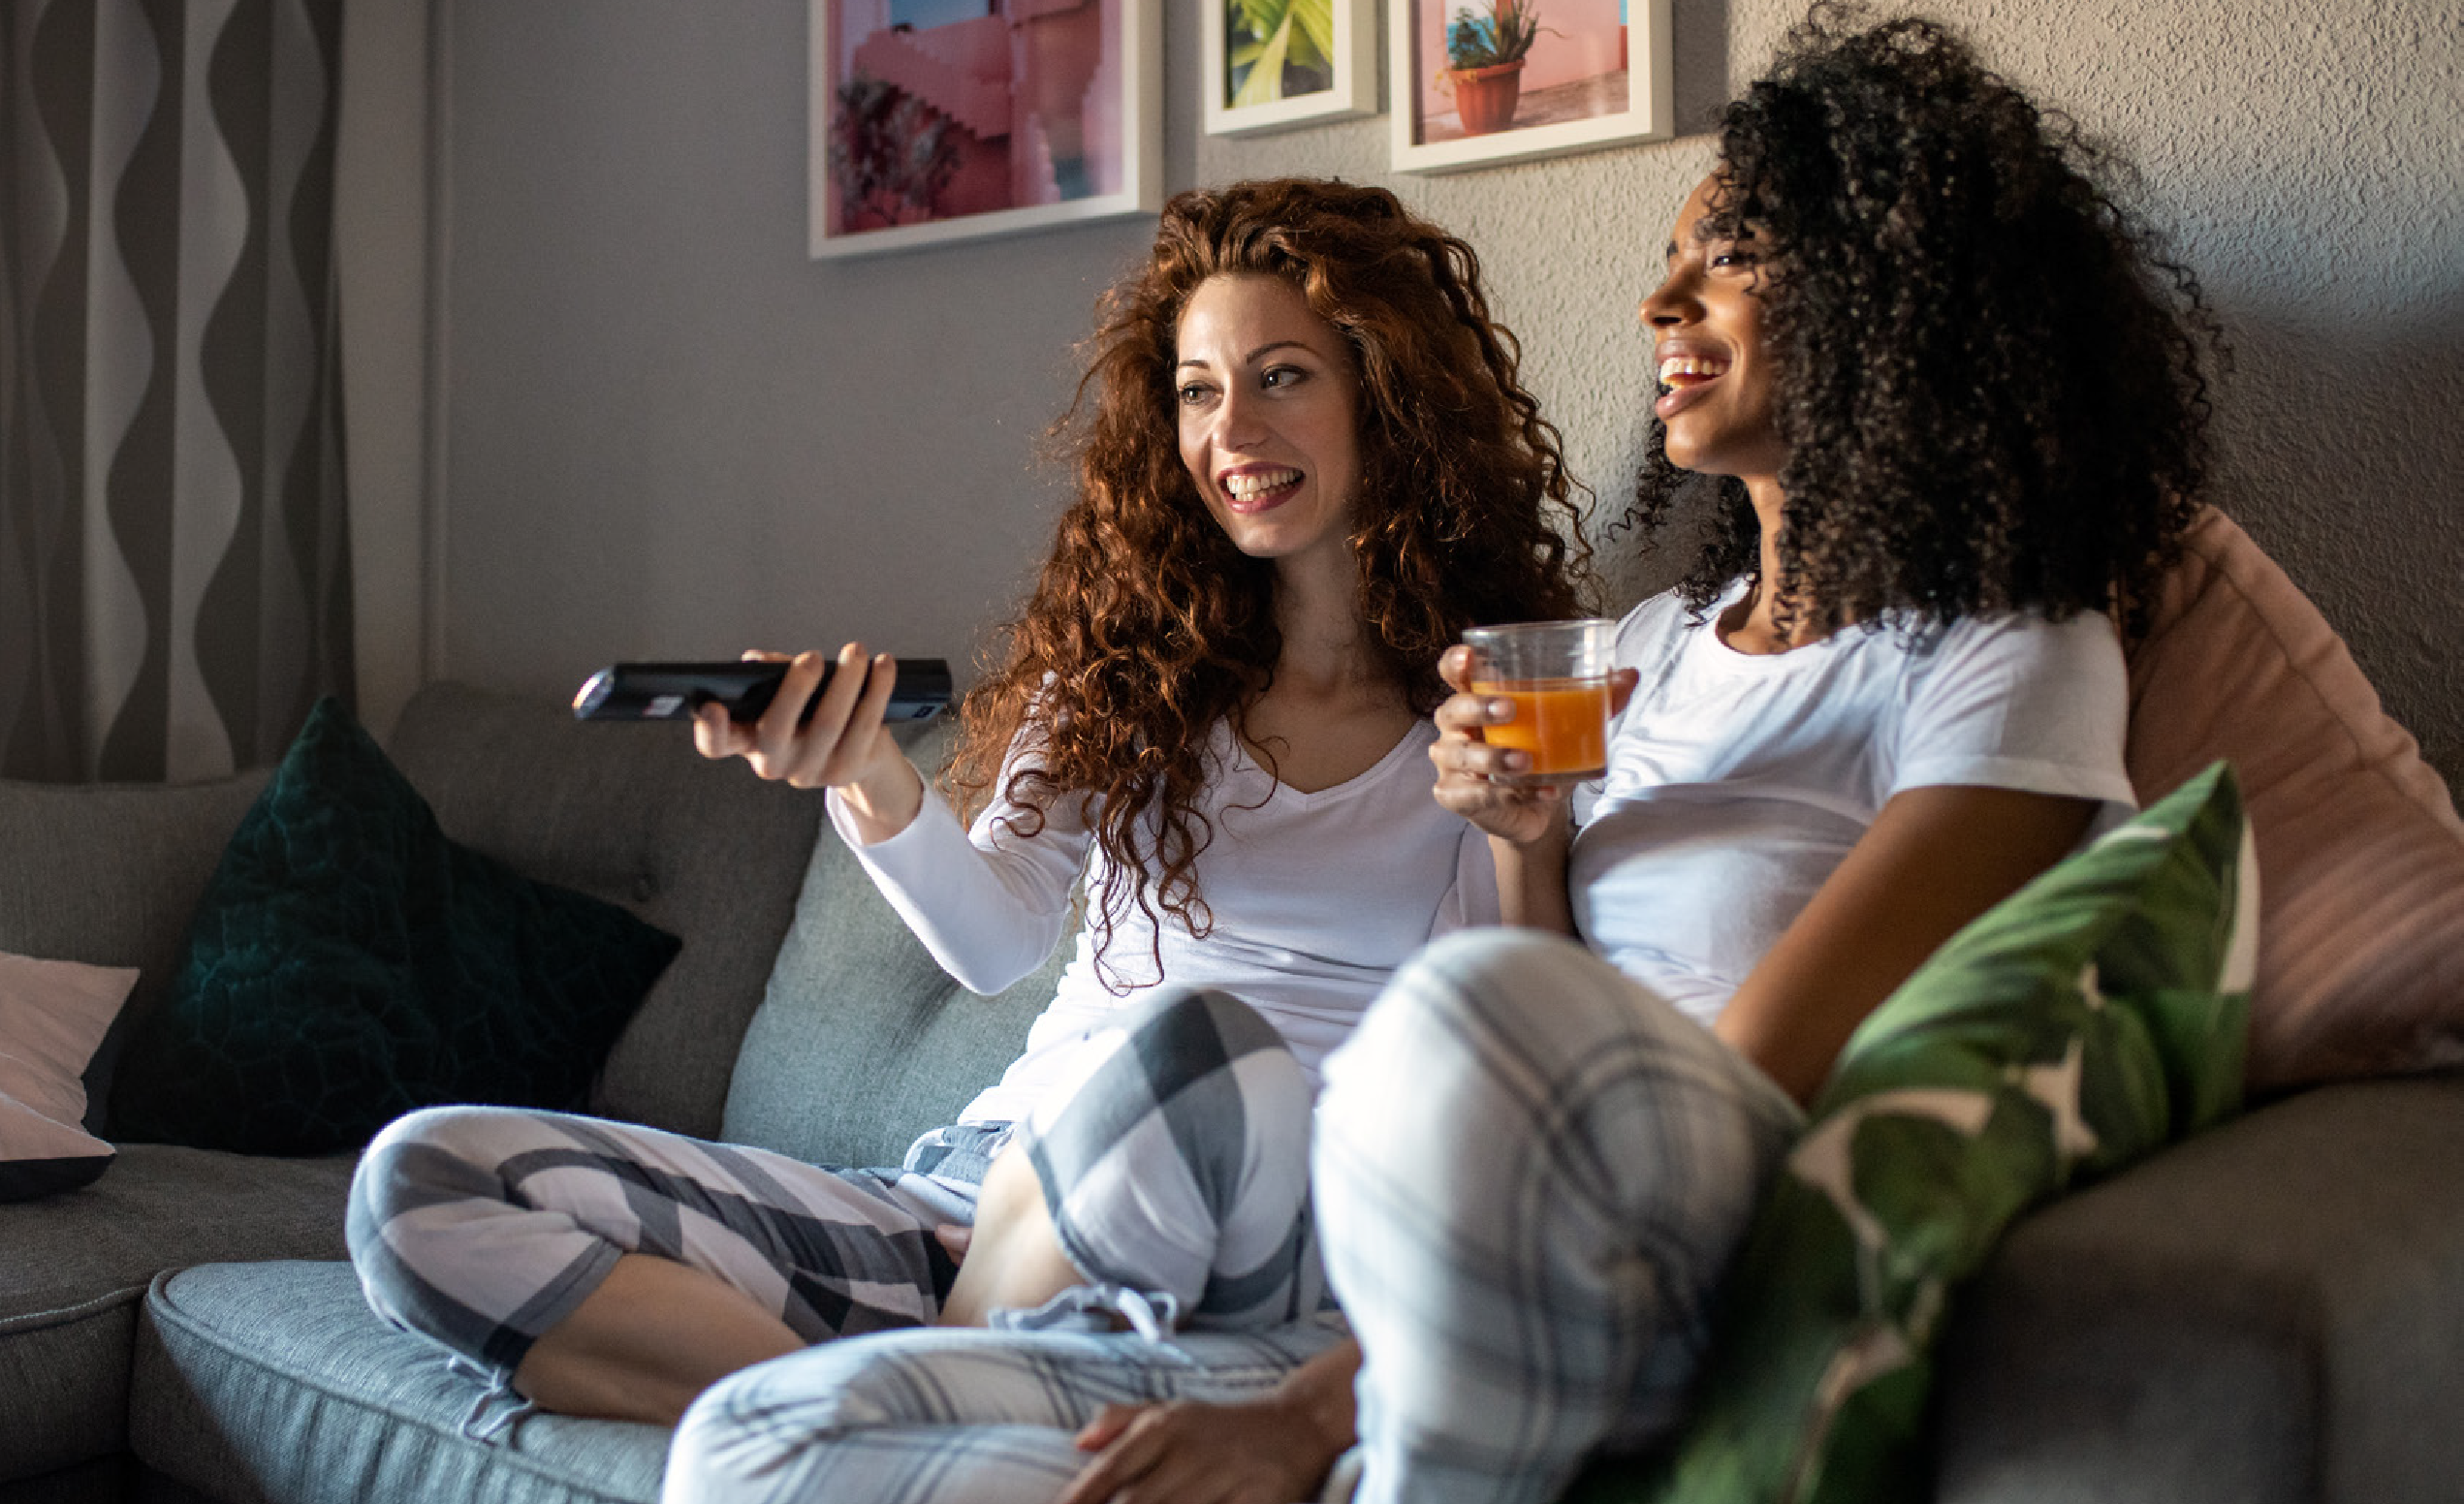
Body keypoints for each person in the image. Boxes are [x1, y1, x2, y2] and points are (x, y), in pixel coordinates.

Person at [662, 9, 2220, 1503]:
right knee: (749, 1449)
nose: (1660, 306)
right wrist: (1526, 839)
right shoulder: (1652, 648)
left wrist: (1303, 1417)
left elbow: (1748, 1081)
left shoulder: (2008, 655)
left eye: (1727, 258)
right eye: (1670, 259)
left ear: (1895, 299)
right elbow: (1518, 960)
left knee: (1437, 1020)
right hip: (1426, 1207)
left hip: (1617, 1248)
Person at [343, 176, 1583, 1438]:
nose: (1231, 429)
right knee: (422, 1183)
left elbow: (1513, 1050)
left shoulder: (1488, 703)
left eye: (1281, 376)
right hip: (981, 1202)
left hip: (1249, 1238)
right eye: (1199, 389)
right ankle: (901, 1407)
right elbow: (994, 946)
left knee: (1204, 1051)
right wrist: (864, 775)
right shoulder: (1127, 670)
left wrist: (1524, 835)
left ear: (1384, 391)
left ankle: (896, 1394)